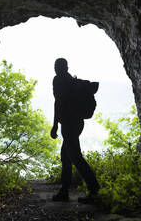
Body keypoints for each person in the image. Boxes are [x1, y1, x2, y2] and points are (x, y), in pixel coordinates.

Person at [50, 58, 100, 204]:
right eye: (55, 66)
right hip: (77, 122)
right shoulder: (71, 80)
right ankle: (64, 191)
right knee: (66, 157)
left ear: (65, 67)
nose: (56, 68)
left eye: (58, 66)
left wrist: (55, 125)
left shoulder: (59, 81)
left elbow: (58, 103)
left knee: (75, 157)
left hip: (69, 123)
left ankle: (95, 190)